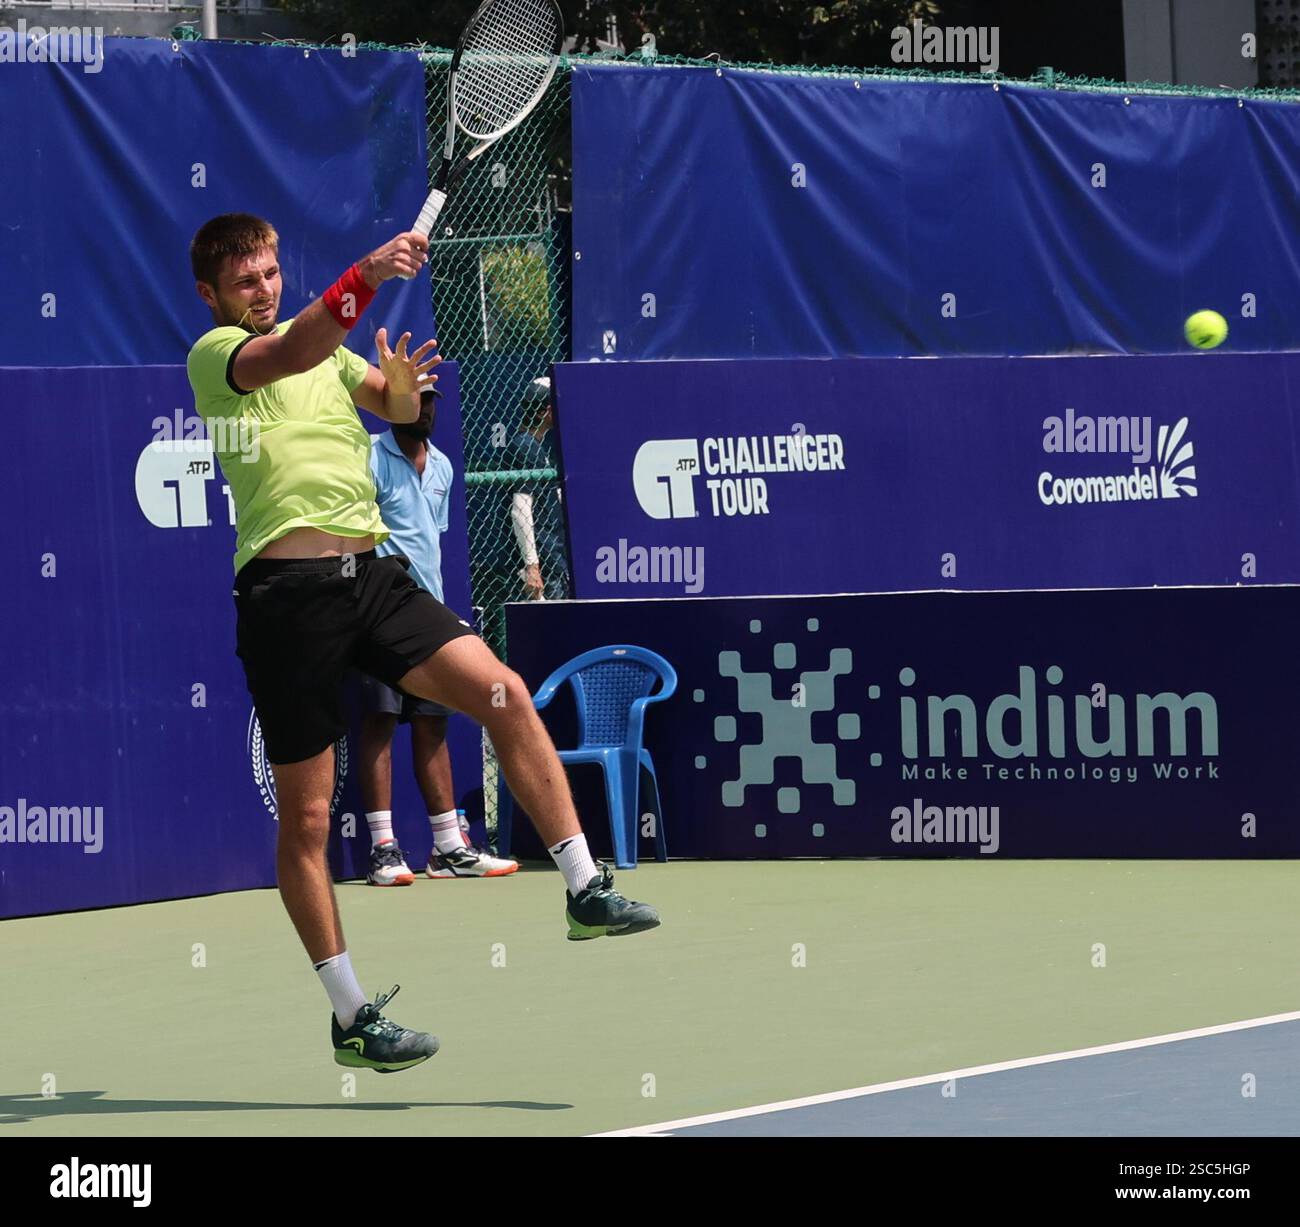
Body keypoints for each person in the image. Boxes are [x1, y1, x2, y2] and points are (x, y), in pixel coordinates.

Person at [186, 213, 659, 1075]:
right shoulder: (219, 356)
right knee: (306, 817)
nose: (263, 290)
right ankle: (351, 1016)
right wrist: (369, 271)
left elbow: (397, 407)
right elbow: (289, 355)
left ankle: (586, 888)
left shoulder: (327, 350)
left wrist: (403, 392)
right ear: (213, 294)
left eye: (270, 273)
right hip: (287, 599)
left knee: (504, 690)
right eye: (246, 280)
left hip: (373, 574)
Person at [359, 382, 518, 883]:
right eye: (415, 399)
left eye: (430, 401)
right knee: (380, 722)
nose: (424, 409)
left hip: (429, 616)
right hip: (378, 613)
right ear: (390, 403)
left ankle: (448, 848)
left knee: (433, 726)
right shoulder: (369, 457)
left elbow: (430, 541)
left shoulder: (445, 467)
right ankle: (384, 848)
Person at [509, 376, 570, 601]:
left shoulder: (535, 446)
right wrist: (532, 567)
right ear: (544, 411)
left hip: (553, 559)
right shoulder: (525, 447)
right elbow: (520, 509)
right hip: (543, 565)